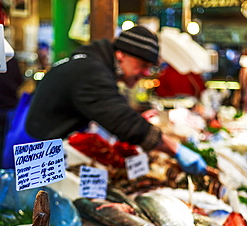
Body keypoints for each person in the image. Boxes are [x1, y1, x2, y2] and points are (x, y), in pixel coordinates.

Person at [4, 25, 207, 175]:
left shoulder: (91, 62)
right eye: (142, 64)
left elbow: (109, 109)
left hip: (44, 145)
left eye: (150, 67)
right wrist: (175, 149)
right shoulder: (91, 71)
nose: (145, 73)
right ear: (121, 55)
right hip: (33, 153)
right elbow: (123, 122)